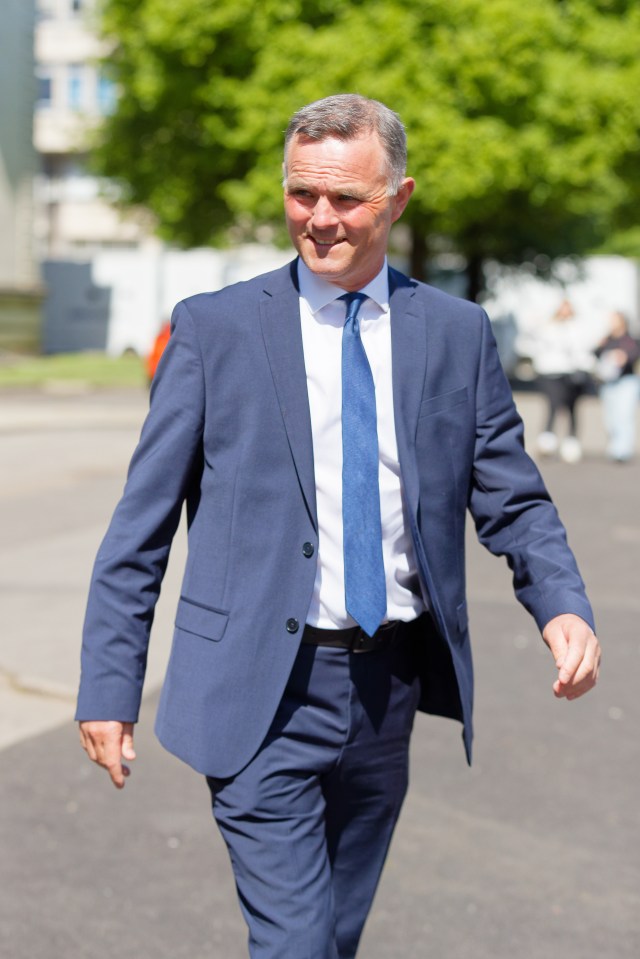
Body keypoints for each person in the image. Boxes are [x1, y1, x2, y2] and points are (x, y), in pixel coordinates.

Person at [76, 94, 600, 959]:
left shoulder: (456, 334)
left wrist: (563, 604)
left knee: (335, 937)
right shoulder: (215, 330)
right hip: (258, 689)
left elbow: (512, 494)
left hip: (385, 687)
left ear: (398, 197)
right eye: (300, 194)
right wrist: (109, 681)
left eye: (346, 199)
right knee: (295, 944)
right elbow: (142, 524)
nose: (319, 219)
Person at [529, 298, 595, 463]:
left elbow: (583, 349)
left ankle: (571, 440)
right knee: (553, 404)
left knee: (572, 407)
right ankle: (547, 439)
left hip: (571, 373)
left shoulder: (578, 327)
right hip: (551, 372)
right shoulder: (548, 327)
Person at [593, 310, 640, 463]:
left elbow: (634, 353)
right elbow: (596, 353)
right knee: (610, 418)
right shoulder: (607, 339)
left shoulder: (629, 340)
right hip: (609, 383)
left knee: (624, 416)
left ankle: (623, 450)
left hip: (626, 382)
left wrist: (624, 357)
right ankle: (614, 446)